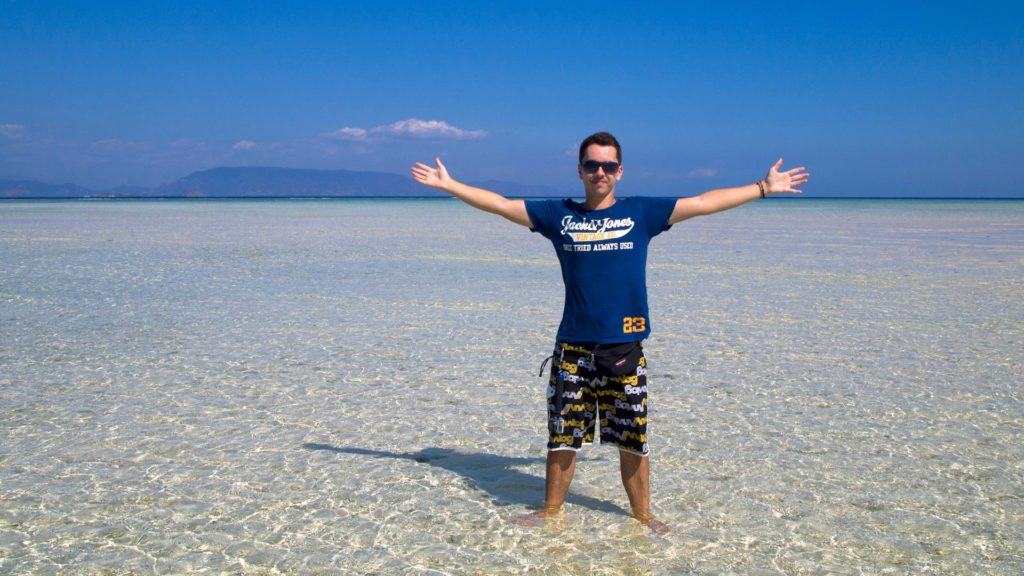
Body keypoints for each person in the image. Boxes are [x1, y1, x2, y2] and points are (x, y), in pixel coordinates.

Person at [410, 131, 808, 533]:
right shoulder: (558, 215)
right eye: (591, 165)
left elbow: (704, 202)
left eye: (607, 166)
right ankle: (551, 513)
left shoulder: (642, 213)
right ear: (580, 170)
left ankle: (642, 516)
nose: (599, 172)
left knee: (632, 440)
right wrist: (450, 185)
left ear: (619, 171)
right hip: (572, 350)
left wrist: (763, 188)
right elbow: (500, 204)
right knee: (562, 438)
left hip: (624, 351)